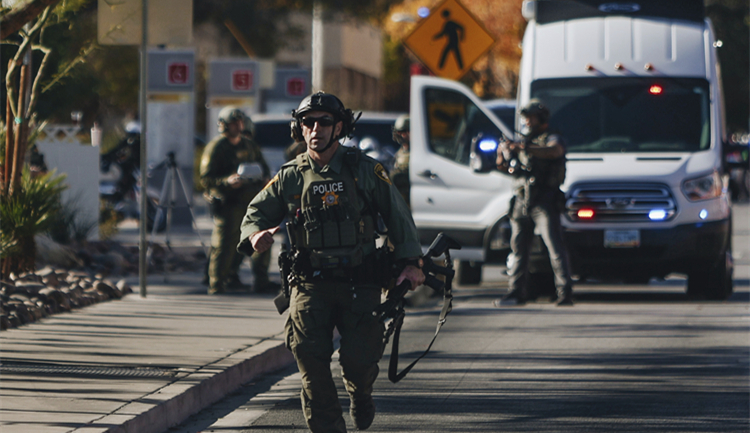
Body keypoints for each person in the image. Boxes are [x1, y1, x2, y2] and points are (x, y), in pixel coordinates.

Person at [237, 92, 425, 432]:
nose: (316, 129)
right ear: (299, 128)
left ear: (339, 127)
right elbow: (255, 213)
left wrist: (411, 263)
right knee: (310, 363)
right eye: (308, 122)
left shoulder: (366, 170)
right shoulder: (291, 175)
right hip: (310, 285)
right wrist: (254, 235)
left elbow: (398, 217)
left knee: (358, 360)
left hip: (360, 281)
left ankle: (360, 392)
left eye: (325, 122)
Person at [494, 99, 574, 307]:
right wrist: (503, 153)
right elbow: (506, 167)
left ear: (542, 118)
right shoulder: (523, 141)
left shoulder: (551, 138)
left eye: (531, 117)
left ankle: (564, 292)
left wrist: (525, 147)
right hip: (521, 199)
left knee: (554, 247)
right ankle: (516, 292)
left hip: (544, 199)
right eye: (525, 118)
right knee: (518, 248)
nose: (527, 121)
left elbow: (554, 150)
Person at [200, 107, 274, 295]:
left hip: (251, 202)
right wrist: (227, 181)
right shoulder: (217, 147)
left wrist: (264, 178)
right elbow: (206, 179)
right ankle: (217, 284)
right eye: (233, 123)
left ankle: (261, 281)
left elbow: (264, 168)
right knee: (224, 245)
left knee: (260, 240)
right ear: (224, 125)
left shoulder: (249, 145)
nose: (237, 126)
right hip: (228, 203)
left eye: (240, 122)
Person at [389, 115, 410, 209]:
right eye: (400, 132)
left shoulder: (419, 153)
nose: (403, 135)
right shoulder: (399, 153)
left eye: (405, 131)